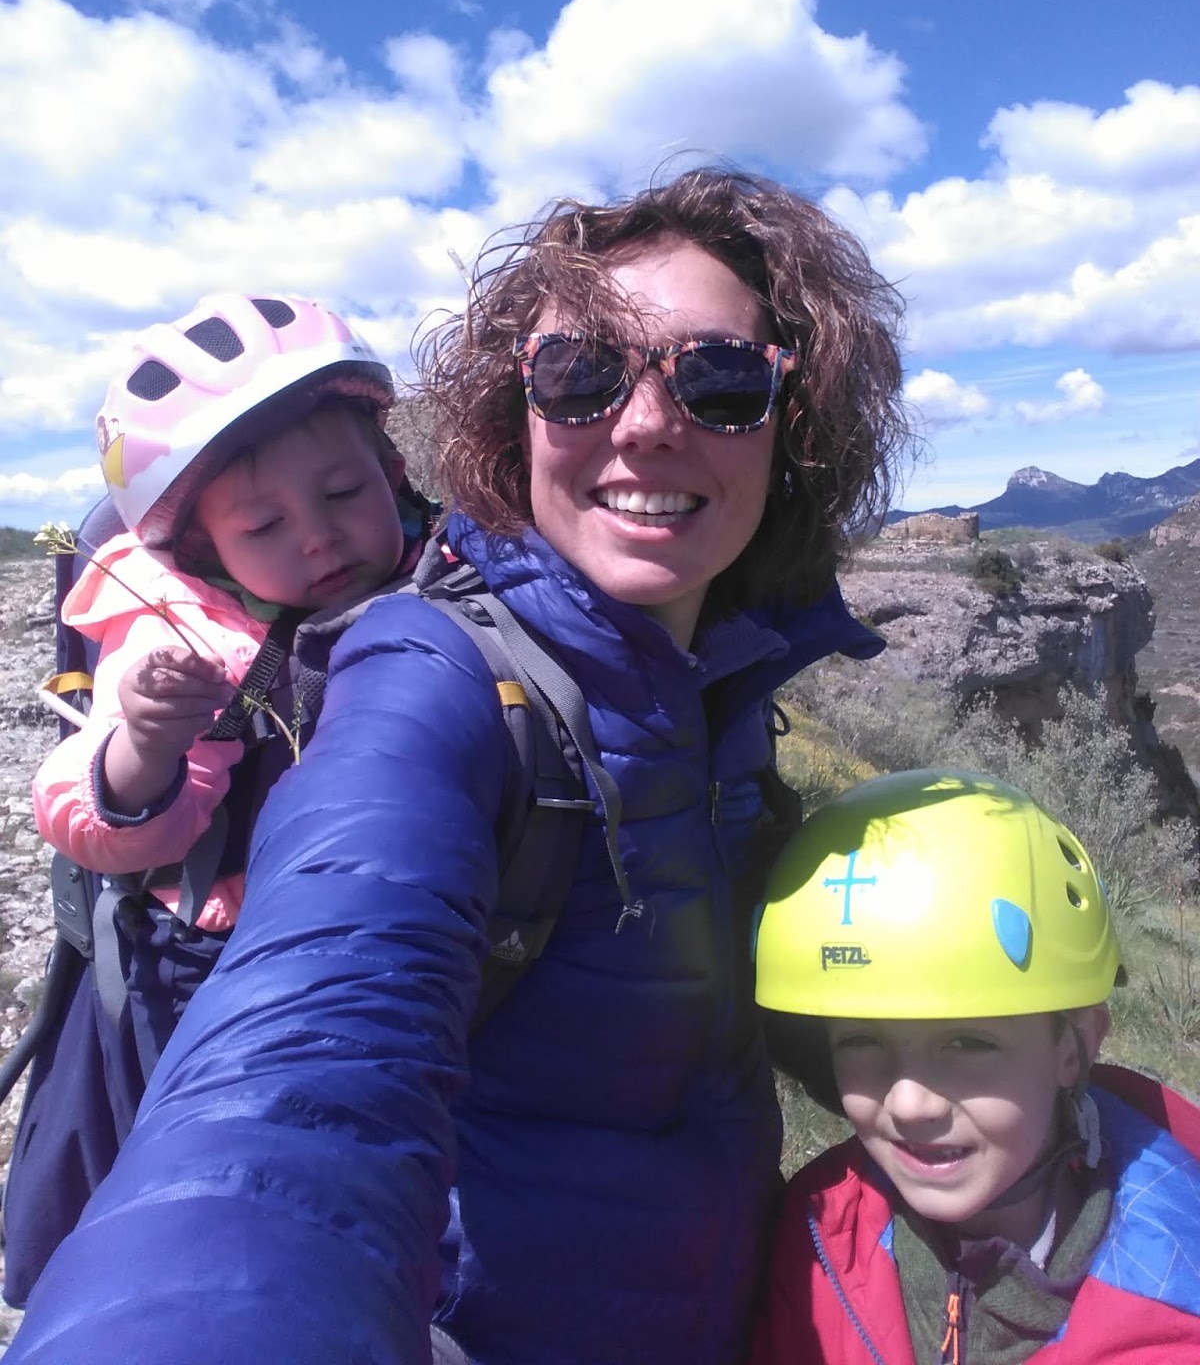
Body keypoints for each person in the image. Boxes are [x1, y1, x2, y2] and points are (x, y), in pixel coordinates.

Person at [9, 168, 909, 1365]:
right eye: (582, 372)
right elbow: (299, 1087)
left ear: (797, 418)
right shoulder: (431, 672)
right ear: (512, 410)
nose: (648, 422)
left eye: (722, 377)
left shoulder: (721, 673)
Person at [751, 769, 1200, 1365]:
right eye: (860, 1040)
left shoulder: (1173, 1319)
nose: (910, 1105)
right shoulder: (821, 1227)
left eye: (967, 1043)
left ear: (1074, 1049)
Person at [32, 290, 430, 935]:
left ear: (391, 474)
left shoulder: (447, 564)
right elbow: (96, 830)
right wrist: (146, 744)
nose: (317, 536)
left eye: (343, 492)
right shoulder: (186, 634)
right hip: (247, 934)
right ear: (201, 547)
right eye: (265, 525)